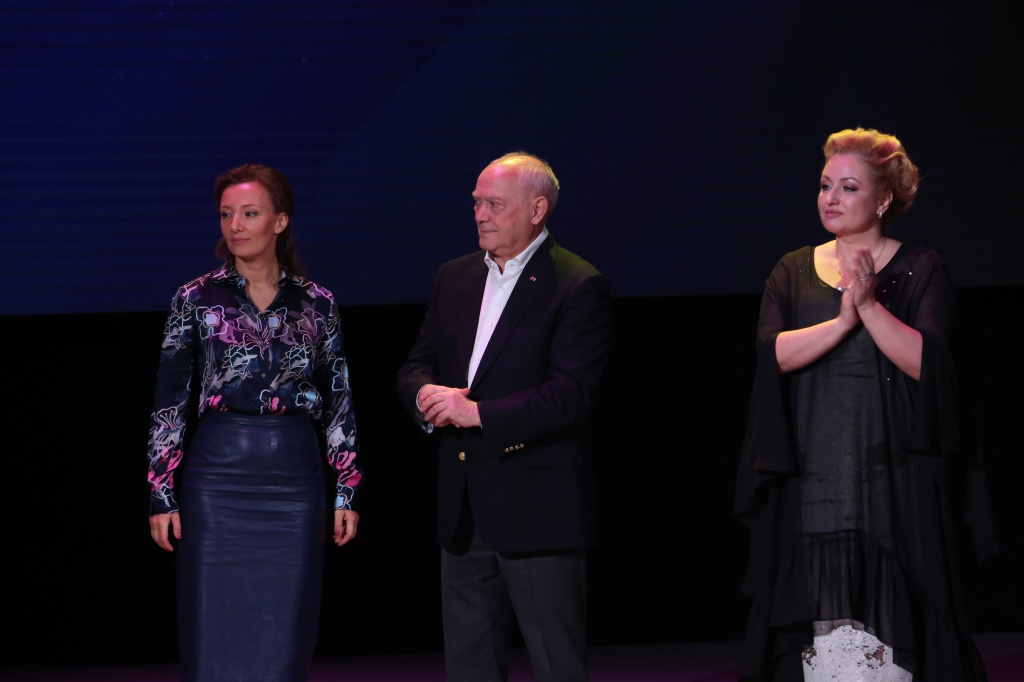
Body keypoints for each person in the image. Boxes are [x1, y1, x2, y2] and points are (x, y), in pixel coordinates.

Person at [734, 128, 993, 680]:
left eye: (848, 187)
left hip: (893, 477)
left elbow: (929, 363)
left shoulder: (922, 267)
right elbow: (772, 354)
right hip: (812, 476)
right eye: (825, 185)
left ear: (882, 200)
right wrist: (842, 321)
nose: (830, 198)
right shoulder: (792, 269)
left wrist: (871, 308)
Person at [396, 151, 612, 682]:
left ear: (537, 209)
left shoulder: (576, 283)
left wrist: (477, 413)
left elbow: (570, 395)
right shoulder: (454, 277)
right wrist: (424, 396)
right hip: (463, 507)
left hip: (537, 509)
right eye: (476, 203)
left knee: (557, 665)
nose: (480, 214)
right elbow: (417, 363)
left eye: (494, 204)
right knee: (469, 666)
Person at [147, 164, 362, 682]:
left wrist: (347, 489)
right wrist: (161, 491)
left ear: (280, 221)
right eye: (227, 215)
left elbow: (339, 399)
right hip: (217, 480)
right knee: (212, 634)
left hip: (294, 481)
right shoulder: (195, 299)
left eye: (249, 213)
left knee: (284, 636)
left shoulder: (317, 303)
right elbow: (169, 401)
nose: (236, 226)